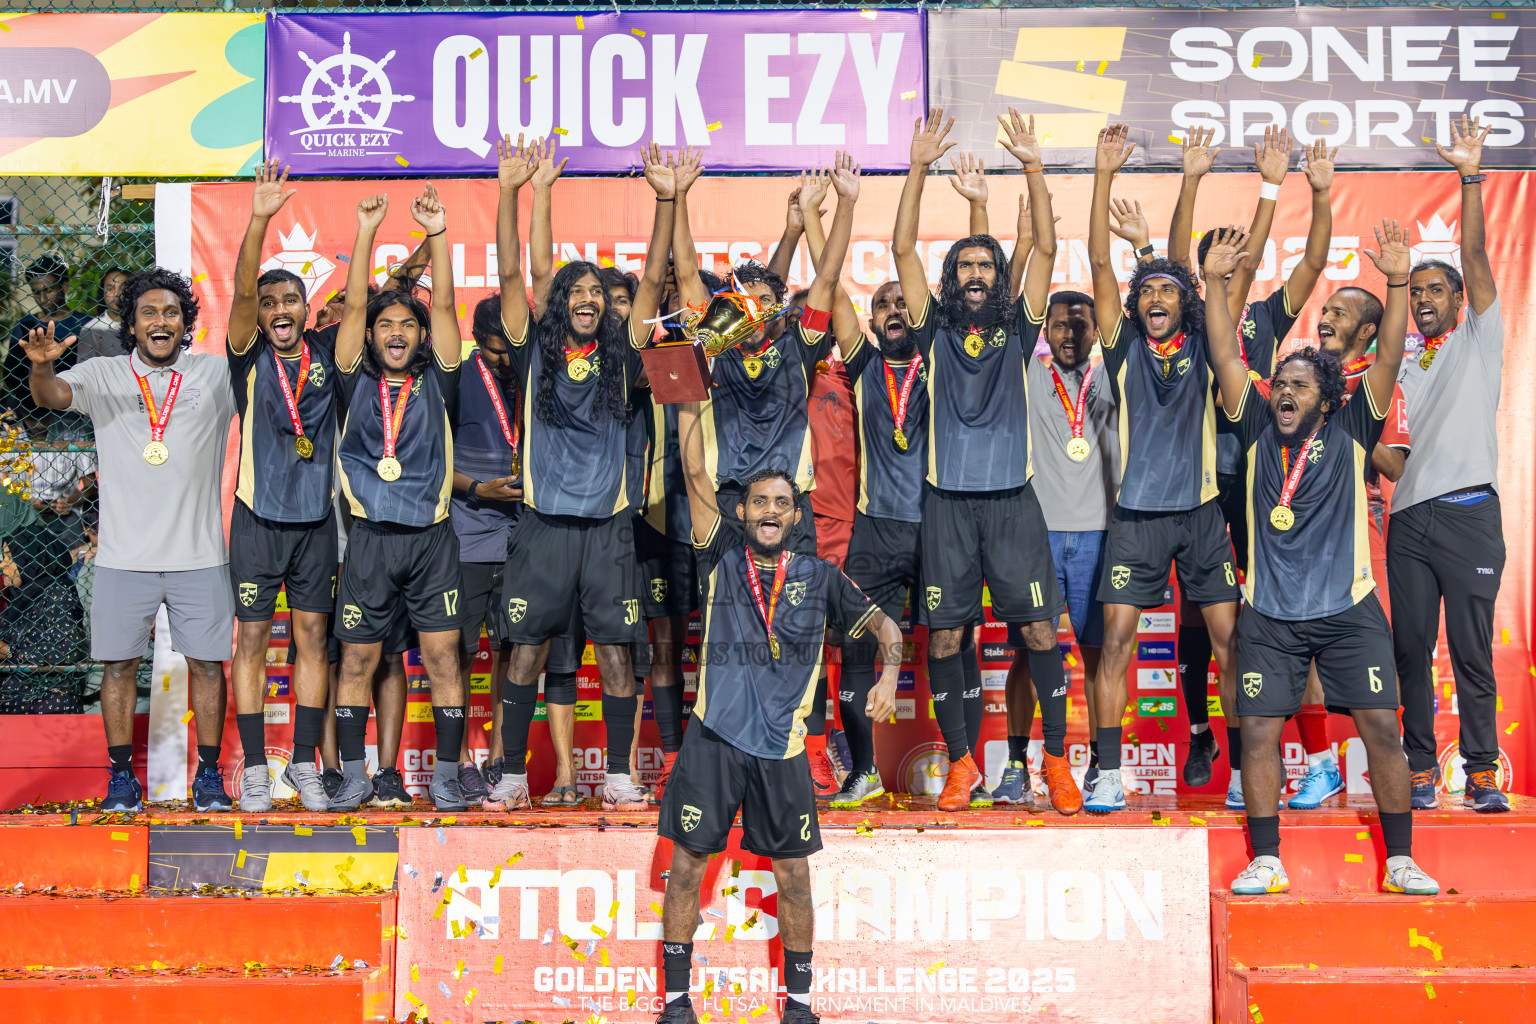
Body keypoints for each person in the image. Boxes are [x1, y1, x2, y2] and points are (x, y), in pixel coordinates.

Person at [656, 318, 902, 1024]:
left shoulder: (820, 576)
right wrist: (687, 384)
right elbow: (696, 469)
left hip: (784, 750)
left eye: (781, 504)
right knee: (686, 869)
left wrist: (887, 674)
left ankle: (798, 1005)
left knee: (793, 875)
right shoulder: (718, 553)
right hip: (713, 740)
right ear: (743, 512)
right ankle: (677, 1004)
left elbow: (886, 626)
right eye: (759, 503)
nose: (769, 512)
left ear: (798, 514)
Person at [1206, 221, 1437, 896]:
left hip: (1347, 612)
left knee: (1380, 734)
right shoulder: (1252, 426)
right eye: (1280, 383)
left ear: (1327, 396)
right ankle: (1267, 859)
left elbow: (1389, 356)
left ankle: (1400, 860)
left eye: (1300, 386)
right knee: (1257, 738)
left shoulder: (1353, 425)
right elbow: (1225, 355)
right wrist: (1217, 284)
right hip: (1269, 616)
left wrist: (1397, 282)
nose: (1284, 392)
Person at [892, 109, 1078, 814]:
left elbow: (1049, 252)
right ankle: (964, 762)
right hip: (946, 506)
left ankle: (1055, 761)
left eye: (985, 265)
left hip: (1012, 504)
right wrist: (916, 166)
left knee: (1036, 631)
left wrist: (1032, 166)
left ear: (998, 277)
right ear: (951, 278)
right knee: (945, 634)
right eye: (964, 265)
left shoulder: (1017, 324)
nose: (975, 274)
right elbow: (903, 247)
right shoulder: (932, 327)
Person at [486, 137, 672, 813]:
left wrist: (668, 198)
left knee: (619, 659)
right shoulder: (534, 350)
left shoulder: (626, 357)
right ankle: (510, 775)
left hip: (609, 535)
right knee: (527, 657)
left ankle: (617, 775)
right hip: (542, 532)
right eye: (577, 289)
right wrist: (513, 191)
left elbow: (651, 283)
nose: (590, 297)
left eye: (599, 290)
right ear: (560, 302)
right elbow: (518, 274)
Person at [24, 268, 237, 812]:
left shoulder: (215, 374)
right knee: (118, 667)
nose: (160, 321)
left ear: (186, 322)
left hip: (199, 556)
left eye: (171, 312)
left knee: (208, 665)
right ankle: (121, 778)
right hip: (122, 557)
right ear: (132, 323)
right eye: (148, 312)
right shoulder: (103, 373)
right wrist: (43, 364)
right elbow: (51, 396)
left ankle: (209, 776)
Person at [1167, 131, 1337, 801]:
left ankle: (1277, 760)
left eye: (1241, 261)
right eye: (1219, 261)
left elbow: (1313, 257)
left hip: (1268, 486)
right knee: (1197, 625)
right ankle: (1204, 733)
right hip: (1198, 485)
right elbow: (1183, 253)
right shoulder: (1184, 318)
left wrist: (1295, 189)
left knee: (1272, 620)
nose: (1231, 268)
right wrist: (1189, 181)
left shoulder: (1266, 316)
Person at [674, 159, 848, 796]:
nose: (752, 312)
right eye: (740, 304)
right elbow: (691, 277)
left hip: (785, 509)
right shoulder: (709, 350)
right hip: (725, 509)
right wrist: (679, 198)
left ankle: (816, 748)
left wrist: (837, 209)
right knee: (724, 635)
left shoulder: (801, 347)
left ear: (779, 308)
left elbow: (826, 275)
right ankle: (716, 749)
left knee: (803, 631)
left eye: (765, 301)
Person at [1083, 124, 1242, 814]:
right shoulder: (1120, 350)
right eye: (1144, 291)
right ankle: (1110, 772)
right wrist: (1101, 175)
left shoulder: (1209, 344)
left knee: (1230, 643)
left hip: (1202, 515)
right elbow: (1097, 262)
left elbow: (1191, 271)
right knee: (1113, 643)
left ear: (1185, 303)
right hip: (1138, 518)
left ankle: (1241, 772)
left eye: (1167, 292)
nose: (1154, 298)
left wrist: (1192, 180)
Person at [327, 185, 469, 812]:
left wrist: (436, 233)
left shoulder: (439, 377)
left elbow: (444, 303)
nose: (395, 333)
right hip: (369, 541)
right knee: (357, 660)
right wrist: (365, 231)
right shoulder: (352, 375)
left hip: (432, 541)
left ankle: (443, 775)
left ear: (419, 335)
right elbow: (354, 302)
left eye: (406, 325)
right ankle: (356, 776)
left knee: (442, 657)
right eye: (385, 324)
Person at [1389, 117, 1507, 813]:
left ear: (1461, 301)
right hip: (1408, 522)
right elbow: (1388, 450)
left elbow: (1476, 253)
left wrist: (1468, 176)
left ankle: (1484, 769)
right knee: (1410, 654)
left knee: (1469, 653)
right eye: (1417, 290)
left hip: (1469, 514)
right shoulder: (1395, 363)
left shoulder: (1479, 338)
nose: (1426, 297)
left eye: (1437, 289)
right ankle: (1420, 769)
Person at [224, 161, 342, 812]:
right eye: (268, 303)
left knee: (312, 642)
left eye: (287, 300)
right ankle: (254, 769)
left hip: (315, 524)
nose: (276, 311)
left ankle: (302, 762)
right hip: (256, 520)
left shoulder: (325, 356)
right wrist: (261, 217)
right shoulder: (248, 353)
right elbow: (242, 296)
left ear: (305, 308)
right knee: (249, 641)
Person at [1286, 286, 1412, 809]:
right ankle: (1320, 766)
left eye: (1339, 313)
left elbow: (1396, 468)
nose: (1325, 318)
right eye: (1324, 310)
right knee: (1301, 655)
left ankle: (1393, 763)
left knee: (1374, 654)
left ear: (1365, 331)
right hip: (1298, 532)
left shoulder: (1380, 387)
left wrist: (1344, 419)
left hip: (1363, 529)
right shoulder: (1296, 383)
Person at [446, 294, 521, 806]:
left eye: (511, 349)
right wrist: (476, 489)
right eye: (496, 352)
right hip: (467, 534)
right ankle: (458, 763)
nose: (506, 360)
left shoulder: (532, 371)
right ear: (477, 341)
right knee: (458, 653)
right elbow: (428, 453)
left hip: (523, 536)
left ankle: (499, 756)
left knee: (512, 650)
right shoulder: (456, 377)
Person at [7, 255, 93, 408]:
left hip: (77, 409)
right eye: (36, 292)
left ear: (65, 286)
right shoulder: (25, 325)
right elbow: (13, 375)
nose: (43, 298)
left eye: (50, 290)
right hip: (34, 409)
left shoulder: (86, 324)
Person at [76, 267, 132, 362]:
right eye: (110, 289)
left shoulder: (141, 323)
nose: (116, 294)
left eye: (123, 288)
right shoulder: (92, 329)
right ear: (102, 292)